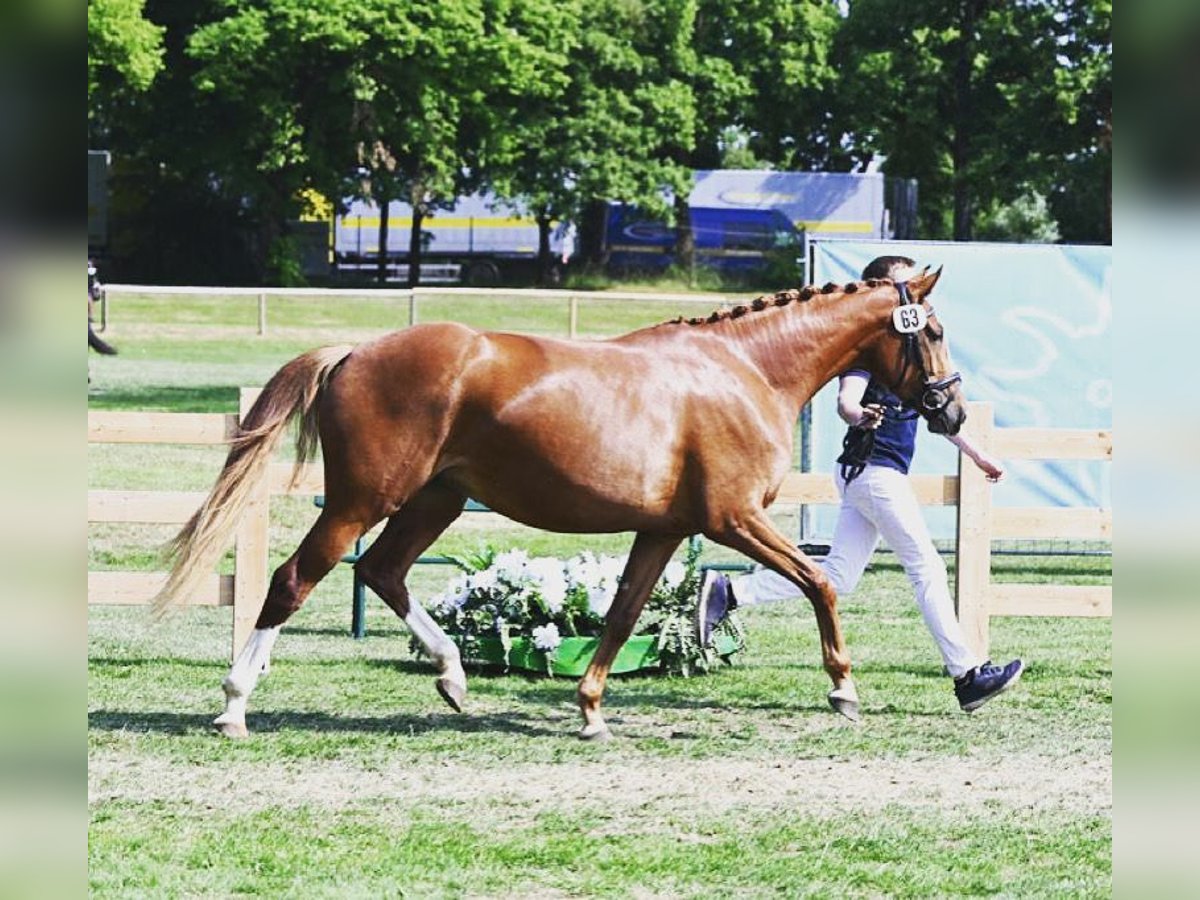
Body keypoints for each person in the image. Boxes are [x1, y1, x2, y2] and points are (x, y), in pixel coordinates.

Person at [697, 256, 1023, 713]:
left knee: (839, 577)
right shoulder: (870, 351)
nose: (913, 293)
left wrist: (977, 454)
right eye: (905, 284)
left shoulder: (903, 352)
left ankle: (730, 592)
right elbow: (847, 400)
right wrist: (858, 414)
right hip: (875, 473)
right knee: (926, 568)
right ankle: (967, 674)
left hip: (866, 474)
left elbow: (936, 413)